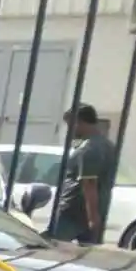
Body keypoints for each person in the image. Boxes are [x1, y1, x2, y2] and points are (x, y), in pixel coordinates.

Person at [47, 103, 118, 244]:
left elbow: (89, 184)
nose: (70, 130)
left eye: (71, 125)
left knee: (51, 250)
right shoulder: (108, 145)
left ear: (81, 122)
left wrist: (92, 218)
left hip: (72, 212)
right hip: (94, 211)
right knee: (87, 254)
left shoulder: (89, 148)